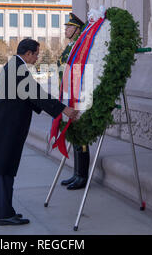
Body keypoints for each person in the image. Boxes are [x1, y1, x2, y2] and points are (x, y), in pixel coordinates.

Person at [0, 38, 78, 226]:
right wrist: (63, 109)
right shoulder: (17, 70)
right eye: (36, 54)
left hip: (2, 125)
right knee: (4, 168)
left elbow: (29, 96)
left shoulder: (14, 66)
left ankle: (0, 210)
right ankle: (4, 214)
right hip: (6, 127)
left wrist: (54, 108)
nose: (37, 57)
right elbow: (36, 93)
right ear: (27, 54)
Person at [57, 13, 91, 190]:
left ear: (77, 30)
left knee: (81, 138)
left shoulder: (80, 49)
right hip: (67, 96)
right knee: (74, 136)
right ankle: (77, 173)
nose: (66, 29)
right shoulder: (70, 48)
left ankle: (82, 176)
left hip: (77, 98)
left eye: (69, 27)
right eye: (66, 27)